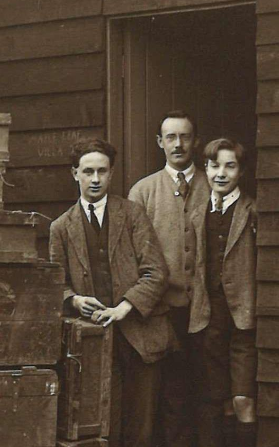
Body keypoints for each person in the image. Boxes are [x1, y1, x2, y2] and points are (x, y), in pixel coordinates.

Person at [49, 138, 173, 447]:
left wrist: (125, 307)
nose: (95, 179)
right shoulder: (61, 228)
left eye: (101, 171)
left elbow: (156, 272)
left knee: (141, 430)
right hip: (92, 342)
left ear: (111, 173)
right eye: (87, 171)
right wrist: (74, 300)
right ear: (74, 173)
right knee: (103, 428)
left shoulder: (132, 215)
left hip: (139, 336)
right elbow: (54, 285)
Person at [128, 110, 210, 447]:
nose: (178, 144)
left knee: (205, 391)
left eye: (185, 136)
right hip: (162, 311)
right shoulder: (143, 192)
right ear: (160, 143)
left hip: (206, 310)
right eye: (171, 138)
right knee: (167, 394)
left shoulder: (213, 183)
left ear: (195, 141)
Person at [188, 138, 258, 447]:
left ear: (240, 172)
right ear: (205, 169)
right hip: (209, 316)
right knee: (217, 399)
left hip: (243, 317)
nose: (221, 173)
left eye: (230, 166)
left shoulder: (252, 211)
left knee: (243, 398)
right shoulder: (197, 212)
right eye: (215, 166)